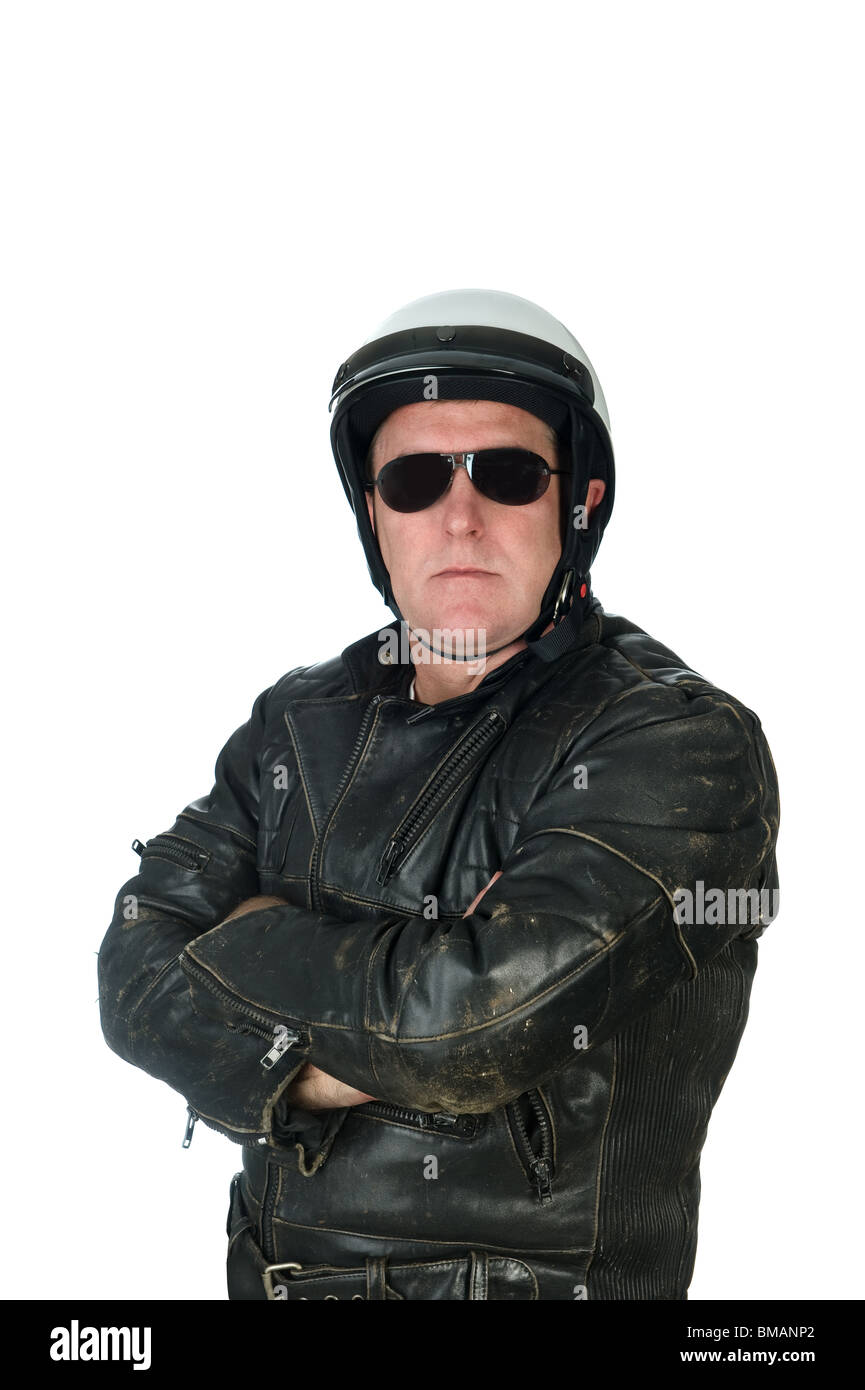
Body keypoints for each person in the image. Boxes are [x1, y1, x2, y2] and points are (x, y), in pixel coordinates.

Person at [98, 288, 780, 1301]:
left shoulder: (675, 742)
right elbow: (130, 976)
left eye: (506, 475)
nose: (458, 516)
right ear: (373, 511)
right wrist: (343, 1044)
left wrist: (240, 944)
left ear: (576, 499)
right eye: (414, 480)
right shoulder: (297, 724)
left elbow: (471, 1032)